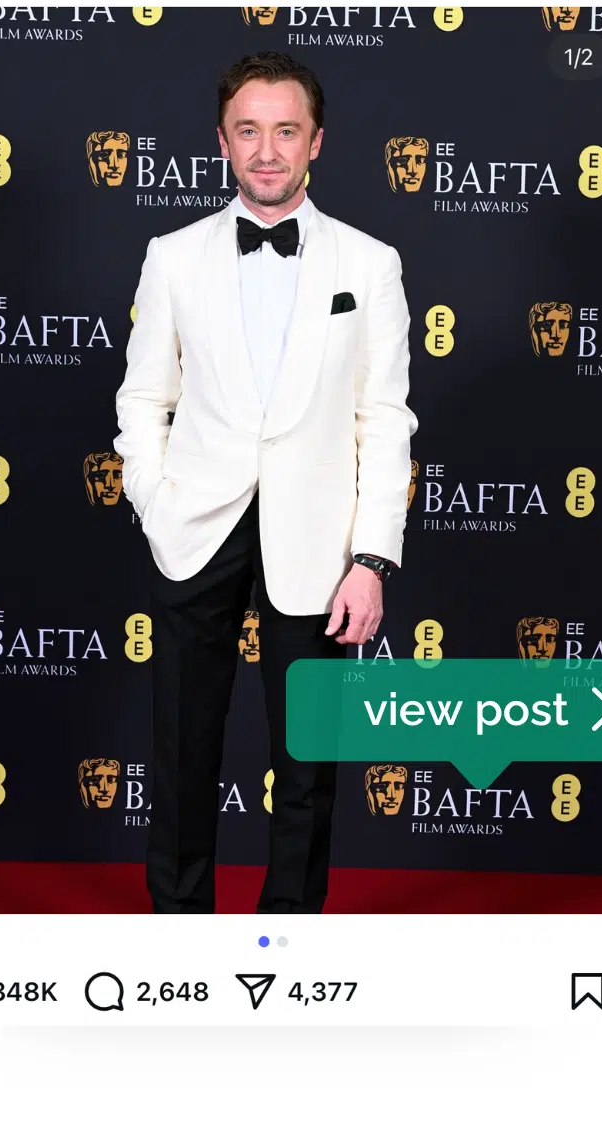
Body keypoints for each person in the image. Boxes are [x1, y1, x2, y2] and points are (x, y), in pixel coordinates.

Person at [113, 50, 418, 913]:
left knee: (308, 764)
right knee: (181, 751)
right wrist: (155, 502)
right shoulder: (173, 256)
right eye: (248, 131)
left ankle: (287, 940)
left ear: (316, 142)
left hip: (319, 545)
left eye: (286, 131)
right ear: (222, 142)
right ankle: (182, 936)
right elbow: (143, 396)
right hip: (195, 528)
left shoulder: (370, 263)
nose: (267, 151)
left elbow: (384, 418)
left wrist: (372, 560)